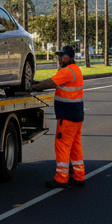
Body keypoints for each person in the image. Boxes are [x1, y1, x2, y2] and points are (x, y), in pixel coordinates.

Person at [31, 45, 85, 188]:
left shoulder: (67, 71)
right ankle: (79, 176)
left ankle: (61, 178)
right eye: (59, 56)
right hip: (76, 115)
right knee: (75, 145)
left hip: (67, 116)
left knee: (62, 146)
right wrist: (38, 83)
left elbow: (50, 82)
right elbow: (53, 81)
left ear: (69, 57)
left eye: (62, 56)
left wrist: (33, 87)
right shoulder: (75, 70)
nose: (59, 58)